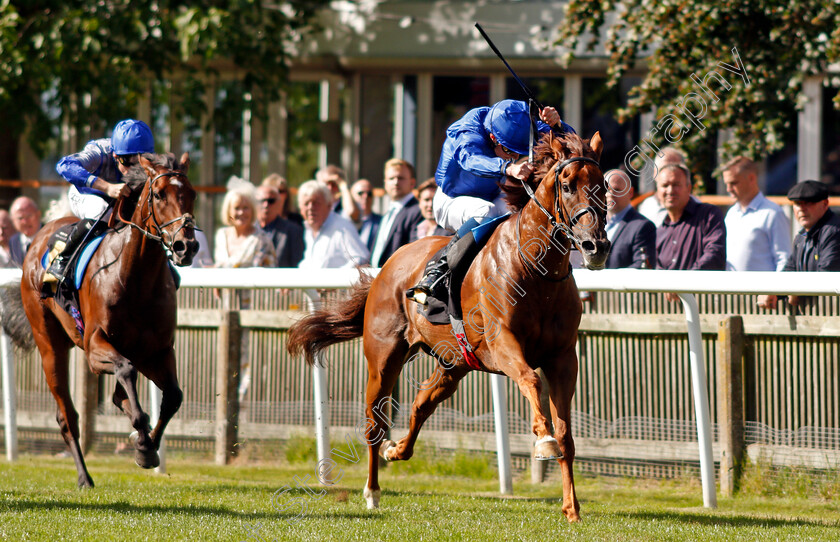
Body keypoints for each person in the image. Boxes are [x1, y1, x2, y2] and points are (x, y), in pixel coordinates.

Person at [407, 99, 572, 303]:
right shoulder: (466, 131)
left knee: (521, 213)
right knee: (485, 211)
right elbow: (470, 158)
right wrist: (507, 168)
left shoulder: (520, 124)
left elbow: (571, 144)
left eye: (518, 153)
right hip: (451, 199)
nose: (514, 157)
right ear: (493, 137)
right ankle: (437, 272)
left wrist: (558, 125)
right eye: (510, 152)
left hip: (493, 193)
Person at [49, 118, 155, 282]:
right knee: (100, 209)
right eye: (127, 161)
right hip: (86, 194)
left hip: (120, 199)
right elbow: (64, 165)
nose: (133, 169)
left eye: (141, 162)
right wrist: (107, 187)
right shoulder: (99, 152)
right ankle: (63, 259)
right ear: (115, 155)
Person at [759, 180, 840, 309]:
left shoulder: (834, 231)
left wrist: (796, 290)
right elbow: (790, 270)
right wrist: (774, 292)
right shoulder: (802, 235)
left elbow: (826, 277)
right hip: (817, 316)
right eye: (797, 204)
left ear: (825, 204)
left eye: (808, 203)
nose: (802, 209)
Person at [722, 156, 791, 271]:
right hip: (732, 287)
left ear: (751, 178)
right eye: (726, 184)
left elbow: (783, 259)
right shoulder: (732, 214)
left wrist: (778, 288)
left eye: (733, 183)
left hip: (762, 288)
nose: (728, 189)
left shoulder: (773, 213)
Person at [298, 180, 369, 269]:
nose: (311, 208)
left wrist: (336, 277)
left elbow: (361, 258)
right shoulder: (309, 230)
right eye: (306, 203)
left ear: (329, 205)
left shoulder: (342, 227)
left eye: (316, 203)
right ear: (300, 208)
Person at [370, 158, 424, 267]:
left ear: (412, 182)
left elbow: (413, 252)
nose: (395, 182)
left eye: (401, 178)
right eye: (391, 178)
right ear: (385, 183)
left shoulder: (417, 211)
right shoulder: (388, 211)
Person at [214, 183, 277, 269]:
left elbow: (269, 273)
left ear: (252, 210)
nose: (241, 212)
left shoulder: (262, 240)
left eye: (245, 208)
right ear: (228, 211)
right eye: (236, 208)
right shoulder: (221, 235)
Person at [603, 169, 656, 268]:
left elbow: (642, 266)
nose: (610, 194)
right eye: (606, 189)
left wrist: (608, 278)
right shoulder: (594, 225)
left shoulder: (643, 227)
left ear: (630, 192)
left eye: (617, 190)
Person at [256, 184, 304, 268]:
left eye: (271, 201)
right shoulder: (247, 230)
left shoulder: (293, 231)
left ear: (279, 204)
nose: (266, 205)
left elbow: (296, 265)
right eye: (262, 201)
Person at [8, 196, 43, 267]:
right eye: (20, 218)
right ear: (13, 220)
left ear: (38, 214)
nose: (25, 222)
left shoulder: (52, 236)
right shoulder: (13, 241)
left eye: (29, 216)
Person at [351, 179, 381, 252]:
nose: (365, 196)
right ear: (351, 196)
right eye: (360, 193)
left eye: (369, 194)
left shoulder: (381, 222)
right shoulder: (343, 221)